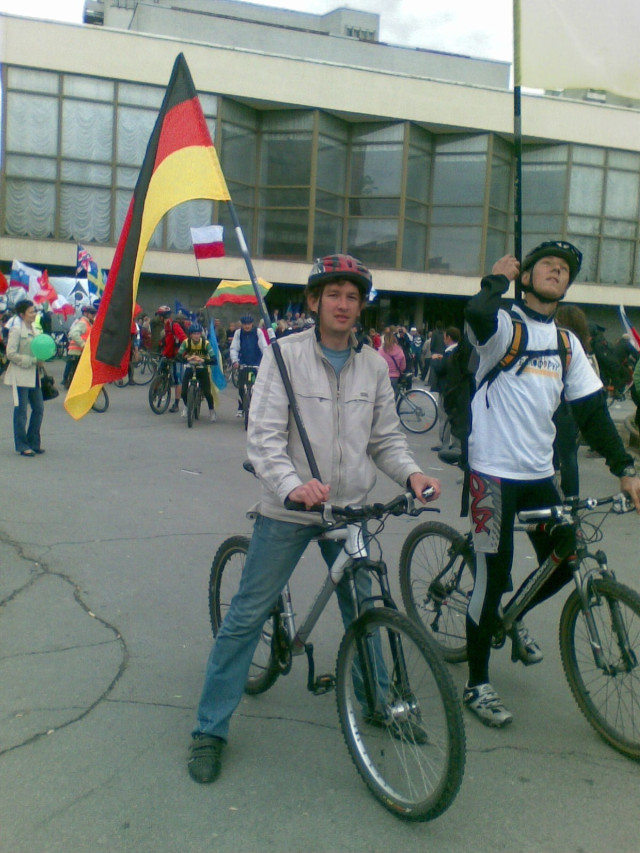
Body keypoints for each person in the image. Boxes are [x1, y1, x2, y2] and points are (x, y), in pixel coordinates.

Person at [187, 253, 441, 784]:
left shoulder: (374, 365)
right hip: (291, 508)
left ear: (361, 306)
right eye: (334, 295)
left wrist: (412, 474)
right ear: (314, 301)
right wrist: (292, 486)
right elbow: (264, 438)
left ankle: (378, 703)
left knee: (366, 607)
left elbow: (385, 439)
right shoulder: (284, 356)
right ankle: (210, 729)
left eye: (353, 296)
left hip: (349, 510)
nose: (343, 304)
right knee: (247, 615)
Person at [462, 241, 640, 728]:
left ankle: (511, 616)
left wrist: (625, 469)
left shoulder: (567, 344)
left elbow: (593, 413)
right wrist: (496, 280)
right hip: (491, 474)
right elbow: (475, 314)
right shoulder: (503, 325)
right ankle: (477, 683)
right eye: (547, 265)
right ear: (527, 276)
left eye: (564, 269)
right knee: (491, 578)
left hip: (539, 474)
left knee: (564, 559)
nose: (557, 271)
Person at [552, 304, 593, 499]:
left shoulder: (563, 344)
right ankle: (572, 499)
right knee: (569, 455)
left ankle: (561, 498)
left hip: (562, 405)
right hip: (576, 406)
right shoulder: (583, 348)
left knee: (561, 456)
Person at [4, 299, 45, 456]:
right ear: (22, 314)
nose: (34, 314)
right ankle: (22, 445)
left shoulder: (35, 329)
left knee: (39, 409)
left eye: (35, 311)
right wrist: (31, 360)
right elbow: (10, 353)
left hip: (35, 375)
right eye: (31, 312)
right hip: (21, 375)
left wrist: (42, 358)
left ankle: (34, 441)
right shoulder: (16, 330)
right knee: (21, 412)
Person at [176, 323, 217, 421]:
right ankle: (187, 406)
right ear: (190, 335)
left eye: (198, 333)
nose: (196, 336)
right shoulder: (186, 342)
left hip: (202, 369)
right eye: (194, 334)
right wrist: (188, 359)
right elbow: (178, 356)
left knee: (207, 392)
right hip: (190, 368)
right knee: (184, 392)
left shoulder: (205, 343)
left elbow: (214, 360)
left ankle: (211, 411)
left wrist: (203, 360)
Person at [229, 314, 268, 417]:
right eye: (245, 324)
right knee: (241, 387)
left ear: (252, 324)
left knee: (258, 387)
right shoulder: (238, 333)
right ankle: (241, 406)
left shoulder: (258, 332)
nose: (247, 326)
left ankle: (258, 408)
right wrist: (235, 361)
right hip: (243, 363)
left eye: (249, 324)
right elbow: (234, 348)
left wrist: (266, 360)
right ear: (242, 324)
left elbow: (264, 347)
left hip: (256, 363)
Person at [157, 306, 187, 412]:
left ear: (163, 316)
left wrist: (180, 353)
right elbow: (168, 342)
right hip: (168, 355)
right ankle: (159, 389)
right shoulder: (166, 326)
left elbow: (184, 339)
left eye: (159, 315)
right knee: (160, 370)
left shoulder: (173, 325)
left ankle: (176, 404)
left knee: (178, 379)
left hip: (176, 357)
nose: (158, 318)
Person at [63, 302, 97, 387]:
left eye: (94, 313)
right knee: (74, 371)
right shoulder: (83, 323)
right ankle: (71, 385)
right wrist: (83, 344)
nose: (94, 315)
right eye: (92, 313)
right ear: (85, 313)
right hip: (77, 351)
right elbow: (73, 334)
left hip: (80, 351)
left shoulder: (89, 323)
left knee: (75, 371)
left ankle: (71, 383)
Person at [377, 327, 406, 397]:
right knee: (394, 395)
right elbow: (403, 367)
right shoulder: (399, 350)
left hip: (384, 377)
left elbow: (377, 365)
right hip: (395, 377)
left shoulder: (380, 351)